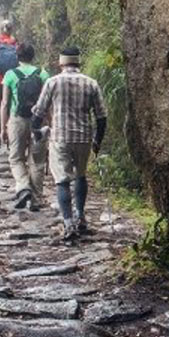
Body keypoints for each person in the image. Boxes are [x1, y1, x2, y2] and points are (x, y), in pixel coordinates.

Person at [31, 46, 107, 240]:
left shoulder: (52, 82)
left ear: (61, 63)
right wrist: (97, 140)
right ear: (78, 62)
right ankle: (81, 216)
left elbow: (39, 111)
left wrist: (36, 131)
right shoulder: (91, 83)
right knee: (81, 176)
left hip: (60, 138)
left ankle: (68, 223)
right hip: (83, 137)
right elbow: (101, 116)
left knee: (62, 181)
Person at [0, 43, 50, 210]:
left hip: (17, 120)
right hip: (39, 121)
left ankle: (23, 187)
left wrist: (2, 128)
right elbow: (47, 103)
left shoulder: (10, 75)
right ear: (33, 56)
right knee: (37, 161)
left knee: (16, 158)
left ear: (17, 57)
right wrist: (50, 123)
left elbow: (5, 103)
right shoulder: (42, 74)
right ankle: (36, 199)